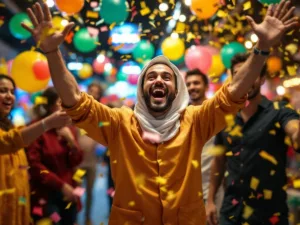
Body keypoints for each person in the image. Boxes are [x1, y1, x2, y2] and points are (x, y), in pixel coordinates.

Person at [22, 1, 298, 224]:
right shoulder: (119, 123)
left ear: (177, 91)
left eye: (167, 77)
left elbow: (234, 92)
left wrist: (261, 49)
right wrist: (53, 53)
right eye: (150, 76)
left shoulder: (196, 120)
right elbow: (75, 100)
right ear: (141, 89)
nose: (158, 80)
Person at [206, 53, 300, 225]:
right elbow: (219, 160)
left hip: (269, 215)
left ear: (262, 78)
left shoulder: (279, 111)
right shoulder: (225, 116)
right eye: (238, 74)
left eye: (251, 73)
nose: (245, 79)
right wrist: (210, 200)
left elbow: (294, 130)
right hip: (231, 212)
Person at [0, 74, 71, 225]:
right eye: (3, 91)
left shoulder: (10, 126)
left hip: (17, 205)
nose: (9, 96)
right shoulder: (32, 129)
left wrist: (70, 140)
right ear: (51, 105)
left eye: (12, 92)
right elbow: (10, 142)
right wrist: (46, 124)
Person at [26, 87, 83, 225]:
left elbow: (76, 161)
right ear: (50, 105)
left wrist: (71, 141)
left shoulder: (68, 127)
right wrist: (61, 185)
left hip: (69, 193)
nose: (65, 105)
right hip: (46, 194)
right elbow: (34, 165)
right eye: (60, 102)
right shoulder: (36, 127)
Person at [185, 69, 224, 212]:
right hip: (187, 193)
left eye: (196, 83)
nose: (192, 87)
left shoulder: (216, 113)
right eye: (188, 84)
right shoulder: (181, 116)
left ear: (206, 87)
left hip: (213, 191)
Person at [77, 82, 104, 225]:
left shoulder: (101, 113)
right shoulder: (78, 111)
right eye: (91, 91)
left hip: (92, 160)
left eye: (96, 92)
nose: (93, 94)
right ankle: (74, 219)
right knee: (76, 192)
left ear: (100, 95)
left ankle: (87, 218)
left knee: (90, 192)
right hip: (77, 161)